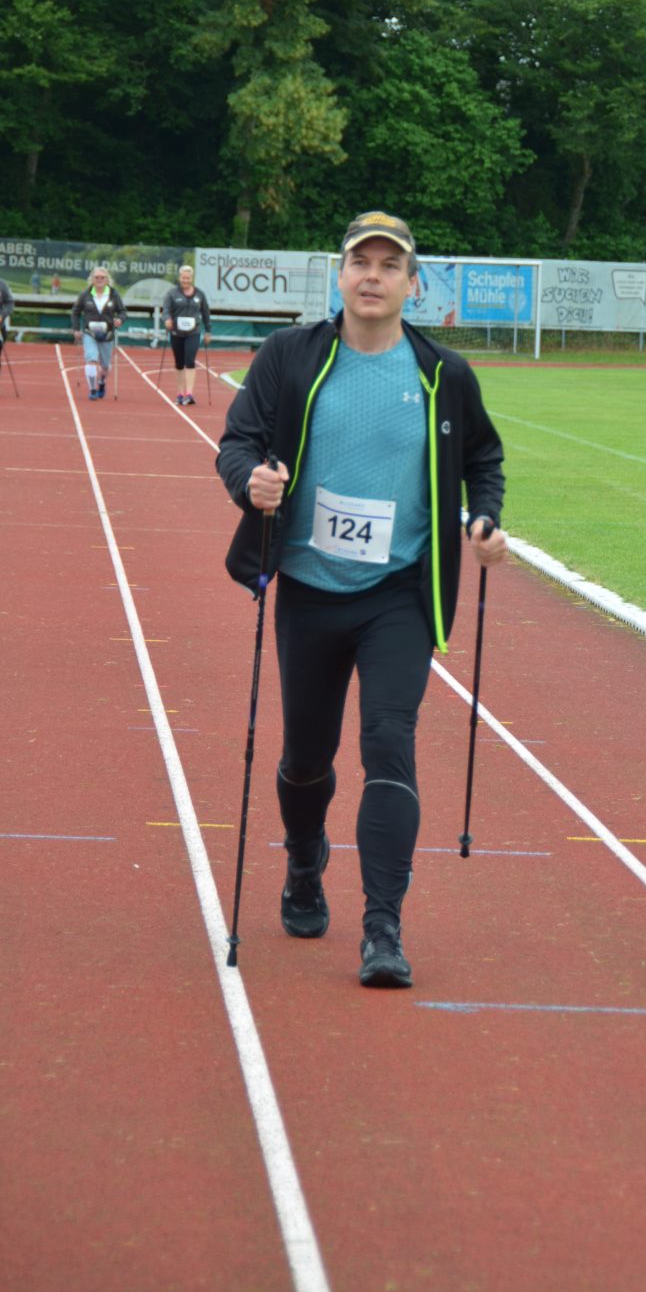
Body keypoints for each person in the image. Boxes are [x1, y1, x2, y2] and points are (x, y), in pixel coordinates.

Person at [216, 210, 507, 988]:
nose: (372, 276)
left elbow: (483, 457)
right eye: (361, 262)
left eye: (389, 265)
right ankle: (304, 861)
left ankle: (383, 928)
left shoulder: (444, 375)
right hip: (309, 592)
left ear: (413, 284)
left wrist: (484, 519)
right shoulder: (290, 356)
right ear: (339, 275)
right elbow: (238, 442)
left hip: (399, 594)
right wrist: (251, 482)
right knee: (306, 757)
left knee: (389, 741)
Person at [71, 268, 125, 399]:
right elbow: (76, 311)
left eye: (102, 277)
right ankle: (92, 389)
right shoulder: (85, 294)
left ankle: (101, 381)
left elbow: (123, 312)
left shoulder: (113, 294)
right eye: (96, 277)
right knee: (91, 359)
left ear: (107, 279)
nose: (99, 280)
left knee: (105, 366)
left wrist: (120, 320)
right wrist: (76, 329)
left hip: (107, 334)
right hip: (89, 333)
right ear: (92, 279)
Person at [162, 264, 212, 405]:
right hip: (176, 332)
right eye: (183, 278)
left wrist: (208, 331)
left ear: (192, 278)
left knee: (190, 361)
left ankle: (189, 394)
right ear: (179, 278)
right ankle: (179, 393)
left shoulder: (200, 294)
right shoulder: (172, 294)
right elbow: (166, 311)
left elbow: (206, 313)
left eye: (188, 278)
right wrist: (167, 320)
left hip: (193, 332)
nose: (185, 280)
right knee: (179, 363)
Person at [0, 277, 13, 345]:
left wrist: (2, 315)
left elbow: (10, 303)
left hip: (0, 325)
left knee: (2, 338)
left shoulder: (2, 285)